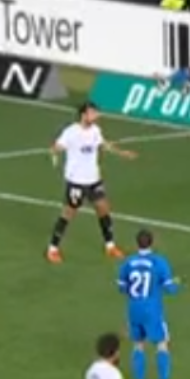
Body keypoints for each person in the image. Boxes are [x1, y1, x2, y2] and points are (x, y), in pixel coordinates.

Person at [47, 103, 137, 264]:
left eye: (96, 113)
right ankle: (53, 249)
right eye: (93, 113)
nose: (96, 115)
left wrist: (122, 153)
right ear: (83, 115)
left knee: (103, 209)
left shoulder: (95, 130)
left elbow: (103, 144)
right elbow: (57, 147)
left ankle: (110, 246)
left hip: (94, 180)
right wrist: (55, 149)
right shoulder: (71, 132)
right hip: (76, 182)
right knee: (68, 214)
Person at [118, 228, 181, 379]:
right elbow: (170, 288)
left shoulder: (128, 262)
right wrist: (176, 284)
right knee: (162, 343)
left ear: (137, 243)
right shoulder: (159, 262)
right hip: (152, 310)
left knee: (138, 344)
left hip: (134, 309)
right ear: (152, 242)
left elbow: (122, 287)